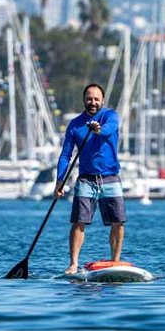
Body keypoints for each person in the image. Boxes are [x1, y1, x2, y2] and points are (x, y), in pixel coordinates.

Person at [55, 83, 125, 275]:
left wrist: (97, 130)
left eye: (96, 99)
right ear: (84, 100)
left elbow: (108, 130)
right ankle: (73, 264)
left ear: (102, 100)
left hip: (110, 177)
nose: (92, 102)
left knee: (118, 222)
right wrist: (59, 181)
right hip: (86, 179)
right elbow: (65, 155)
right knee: (78, 222)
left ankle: (115, 261)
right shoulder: (75, 124)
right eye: (89, 98)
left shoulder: (110, 116)